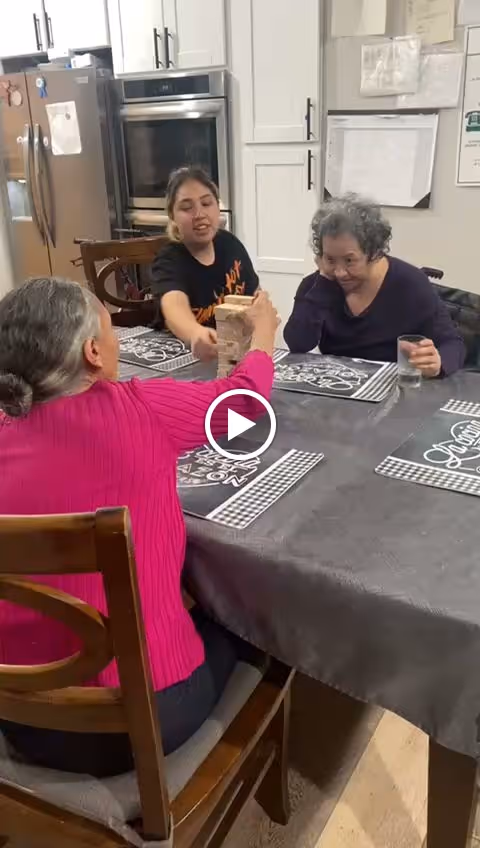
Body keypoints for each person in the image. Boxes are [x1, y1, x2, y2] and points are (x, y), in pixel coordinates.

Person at [0, 277, 279, 777]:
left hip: (20, 715)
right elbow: (242, 405)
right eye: (112, 333)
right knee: (251, 612)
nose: (118, 344)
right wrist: (263, 338)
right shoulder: (140, 409)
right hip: (140, 721)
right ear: (92, 352)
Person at [283, 194, 465, 377]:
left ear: (374, 253)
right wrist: (323, 283)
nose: (339, 272)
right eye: (330, 259)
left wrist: (437, 362)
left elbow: (453, 343)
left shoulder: (410, 284)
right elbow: (298, 344)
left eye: (349, 260)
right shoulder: (317, 285)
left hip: (395, 389)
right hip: (338, 387)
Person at [151, 167, 259, 362]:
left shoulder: (230, 244)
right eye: (186, 207)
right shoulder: (169, 259)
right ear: (172, 216)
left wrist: (262, 315)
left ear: (217, 207)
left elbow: (256, 297)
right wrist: (195, 333)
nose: (199, 214)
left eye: (207, 203)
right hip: (182, 361)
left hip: (230, 357)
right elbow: (173, 305)